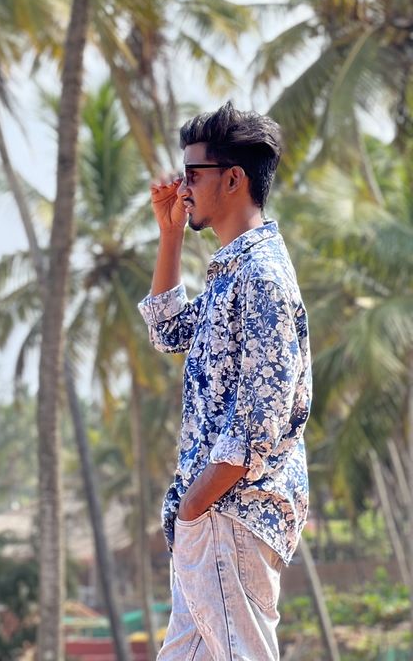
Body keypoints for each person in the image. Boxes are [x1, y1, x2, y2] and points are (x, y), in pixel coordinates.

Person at [138, 102, 311, 661]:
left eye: (193, 176)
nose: (181, 188)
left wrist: (197, 504)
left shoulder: (260, 276)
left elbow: (262, 419)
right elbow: (168, 332)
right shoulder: (230, 273)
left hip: (232, 510)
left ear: (233, 178)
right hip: (211, 514)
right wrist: (170, 238)